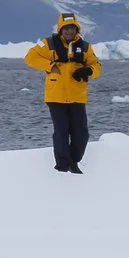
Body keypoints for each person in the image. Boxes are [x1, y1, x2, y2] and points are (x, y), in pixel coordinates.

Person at [24, 13, 99, 172]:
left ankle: (74, 160)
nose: (69, 31)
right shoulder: (48, 44)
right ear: (60, 29)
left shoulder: (85, 47)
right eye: (66, 28)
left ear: (76, 29)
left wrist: (88, 71)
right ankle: (63, 166)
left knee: (82, 134)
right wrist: (50, 65)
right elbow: (30, 57)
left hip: (77, 96)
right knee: (61, 132)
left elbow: (96, 66)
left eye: (72, 28)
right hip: (55, 96)